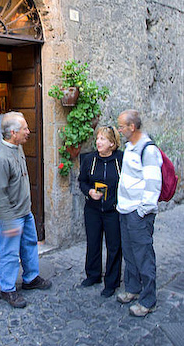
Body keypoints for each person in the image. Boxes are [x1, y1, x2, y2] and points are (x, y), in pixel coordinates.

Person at [0, 111, 52, 308]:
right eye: (25, 128)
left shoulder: (18, 148)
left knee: (29, 245)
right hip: (12, 216)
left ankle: (30, 278)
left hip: (25, 212)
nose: (28, 131)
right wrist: (8, 222)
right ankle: (7, 289)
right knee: (9, 252)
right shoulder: (0, 158)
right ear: (13, 132)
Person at [116, 109, 162, 317]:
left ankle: (148, 300)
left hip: (138, 212)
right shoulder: (129, 147)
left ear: (131, 127)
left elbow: (153, 183)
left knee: (143, 256)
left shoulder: (148, 150)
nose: (119, 129)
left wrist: (144, 210)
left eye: (121, 126)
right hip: (125, 209)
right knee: (129, 253)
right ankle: (133, 289)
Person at [79, 125, 123, 297]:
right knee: (93, 243)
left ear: (112, 143)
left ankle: (111, 282)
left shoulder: (121, 159)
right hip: (93, 210)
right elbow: (82, 181)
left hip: (113, 211)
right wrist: (89, 192)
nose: (98, 142)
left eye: (102, 139)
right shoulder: (90, 160)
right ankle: (93, 275)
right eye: (98, 138)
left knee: (114, 247)